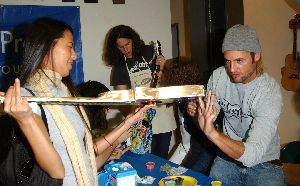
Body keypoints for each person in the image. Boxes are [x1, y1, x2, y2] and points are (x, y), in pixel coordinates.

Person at [1, 18, 151, 186]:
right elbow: (57, 170)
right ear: (47, 48)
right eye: (70, 46)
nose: (74, 55)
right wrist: (26, 120)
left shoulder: (64, 91)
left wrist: (125, 126)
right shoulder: (28, 97)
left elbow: (87, 156)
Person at [187, 24, 285, 185]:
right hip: (226, 159)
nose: (232, 69)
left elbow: (253, 155)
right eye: (228, 61)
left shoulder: (269, 91)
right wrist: (199, 117)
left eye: (239, 60)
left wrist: (213, 133)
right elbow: (206, 125)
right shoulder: (219, 77)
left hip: (264, 164)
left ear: (256, 56)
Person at [102, 25, 176, 159]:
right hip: (141, 117)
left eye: (128, 44)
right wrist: (134, 115)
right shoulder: (120, 67)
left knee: (161, 156)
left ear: (133, 40)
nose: (125, 49)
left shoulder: (150, 52)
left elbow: (170, 81)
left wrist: (166, 68)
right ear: (115, 48)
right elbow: (122, 100)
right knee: (141, 156)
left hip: (163, 113)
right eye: (121, 47)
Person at [160, 57, 218, 175]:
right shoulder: (182, 100)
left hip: (205, 152)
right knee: (163, 171)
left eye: (164, 73)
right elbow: (186, 142)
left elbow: (199, 147)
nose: (161, 76)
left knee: (183, 177)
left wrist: (181, 170)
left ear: (174, 78)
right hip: (190, 148)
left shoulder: (196, 103)